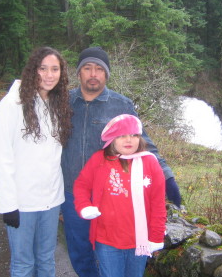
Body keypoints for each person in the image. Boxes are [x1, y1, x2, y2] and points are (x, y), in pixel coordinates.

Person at [60, 46, 181, 277]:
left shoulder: (121, 104)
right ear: (79, 73)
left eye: (99, 69)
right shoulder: (62, 103)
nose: (93, 74)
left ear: (106, 74)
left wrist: (166, 175)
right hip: (73, 192)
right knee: (79, 252)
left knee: (107, 250)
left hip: (113, 196)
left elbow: (143, 142)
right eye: (87, 68)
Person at [0, 46, 72, 277]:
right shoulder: (12, 105)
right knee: (23, 264)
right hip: (22, 204)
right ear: (32, 70)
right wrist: (8, 205)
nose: (49, 74)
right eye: (42, 68)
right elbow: (0, 157)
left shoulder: (56, 106)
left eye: (55, 69)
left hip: (51, 201)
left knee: (46, 261)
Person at [73, 114, 166, 277]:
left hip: (139, 241)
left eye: (134, 135)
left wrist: (156, 236)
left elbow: (158, 204)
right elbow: (81, 185)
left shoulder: (150, 163)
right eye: (122, 136)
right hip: (107, 240)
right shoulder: (99, 160)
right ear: (112, 139)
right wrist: (84, 206)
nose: (129, 140)